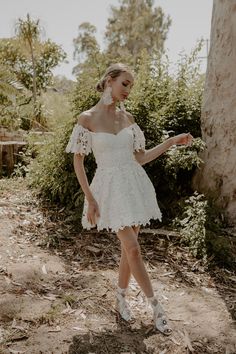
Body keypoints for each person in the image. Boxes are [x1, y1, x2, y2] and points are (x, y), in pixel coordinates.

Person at [65, 63, 193, 335]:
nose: (128, 90)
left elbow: (141, 157)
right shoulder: (86, 119)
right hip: (109, 190)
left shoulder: (129, 119)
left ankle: (120, 297)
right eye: (125, 83)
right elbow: (78, 162)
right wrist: (90, 198)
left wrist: (171, 142)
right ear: (110, 80)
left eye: (130, 86)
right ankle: (156, 307)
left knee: (128, 250)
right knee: (133, 249)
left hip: (134, 186)